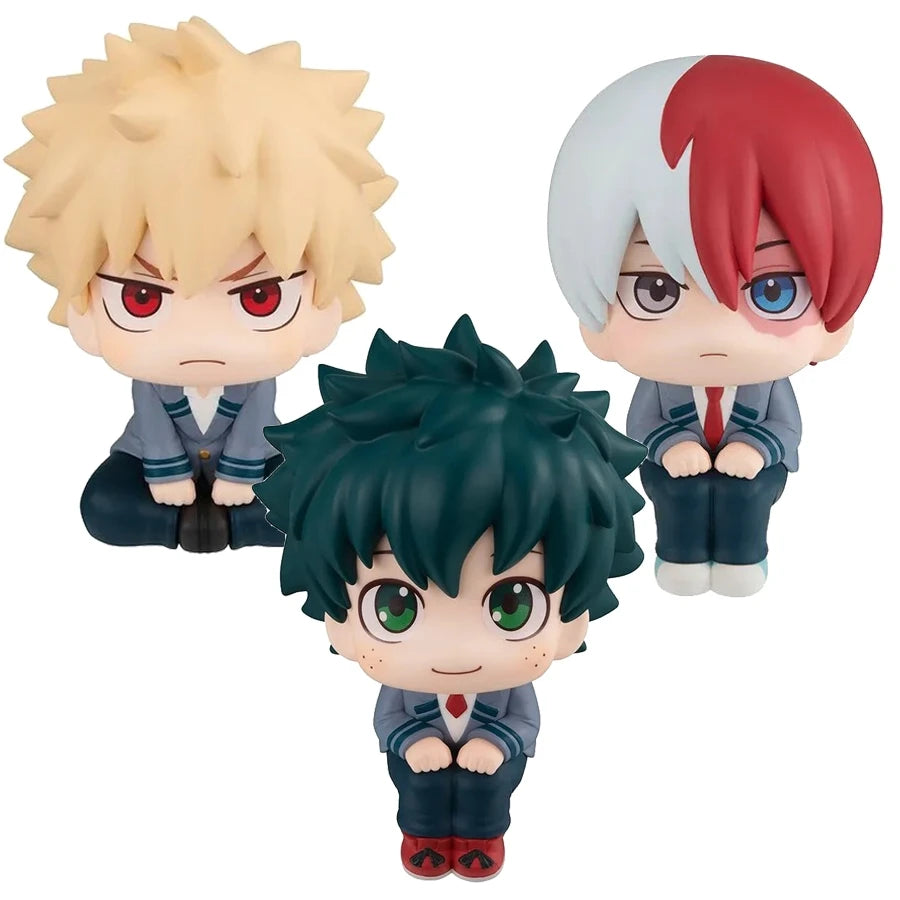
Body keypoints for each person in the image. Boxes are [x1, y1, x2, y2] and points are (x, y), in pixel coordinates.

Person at [255, 316, 645, 878]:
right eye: (394, 608)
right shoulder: (403, 685)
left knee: (489, 794)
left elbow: (526, 723)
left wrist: (499, 743)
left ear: (572, 616)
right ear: (338, 617)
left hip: (493, 761)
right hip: (419, 761)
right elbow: (388, 719)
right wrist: (412, 742)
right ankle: (423, 838)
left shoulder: (509, 685)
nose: (456, 648)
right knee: (418, 791)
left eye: (512, 605)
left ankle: (484, 839)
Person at [5, 17, 395, 551]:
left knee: (305, 498)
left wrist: (240, 475)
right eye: (142, 298)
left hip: (252, 462)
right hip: (150, 462)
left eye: (260, 297)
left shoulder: (257, 382)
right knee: (103, 506)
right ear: (83, 302)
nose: (201, 340)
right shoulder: (152, 382)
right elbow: (151, 421)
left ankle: (223, 525)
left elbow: (256, 422)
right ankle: (184, 527)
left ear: (322, 303)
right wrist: (165, 474)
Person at [548, 55, 881, 595]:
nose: (715, 333)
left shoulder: (768, 384)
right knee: (675, 494)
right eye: (654, 290)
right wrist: (668, 445)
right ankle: (678, 556)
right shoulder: (660, 383)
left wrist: (757, 450)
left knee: (747, 496)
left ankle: (743, 558)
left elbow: (787, 428)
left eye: (773, 291)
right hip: (672, 464)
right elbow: (641, 424)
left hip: (753, 468)